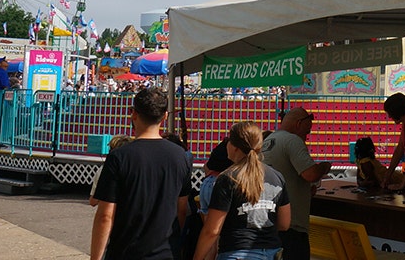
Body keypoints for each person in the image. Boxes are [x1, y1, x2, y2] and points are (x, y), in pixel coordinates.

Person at [90, 87, 192, 260]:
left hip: (125, 252)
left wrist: (95, 257)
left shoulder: (119, 157)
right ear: (165, 116)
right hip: (166, 252)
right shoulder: (180, 156)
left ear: (133, 114)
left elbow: (105, 215)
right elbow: (181, 209)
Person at [192, 121, 290, 260]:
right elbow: (284, 224)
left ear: (235, 147)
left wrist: (197, 257)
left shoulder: (228, 178)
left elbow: (212, 231)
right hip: (271, 252)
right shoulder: (277, 176)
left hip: (236, 251)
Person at [262, 107, 330, 260]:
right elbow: (311, 174)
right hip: (292, 225)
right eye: (308, 129)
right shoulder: (292, 140)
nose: (309, 134)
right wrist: (324, 166)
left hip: (269, 220)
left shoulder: (268, 141)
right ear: (299, 123)